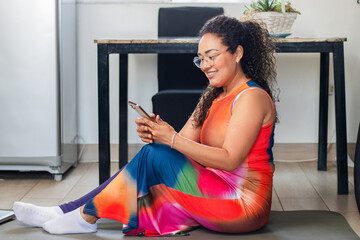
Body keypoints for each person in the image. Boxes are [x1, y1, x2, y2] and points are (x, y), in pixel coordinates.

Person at [12, 15, 278, 236]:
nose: (205, 65)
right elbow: (181, 146)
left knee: (155, 158)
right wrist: (158, 134)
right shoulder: (214, 94)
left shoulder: (251, 97)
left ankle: (81, 216)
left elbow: (230, 160)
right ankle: (69, 211)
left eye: (212, 56)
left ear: (238, 53)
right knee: (154, 154)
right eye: (200, 59)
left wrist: (170, 139)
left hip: (242, 205)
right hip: (212, 190)